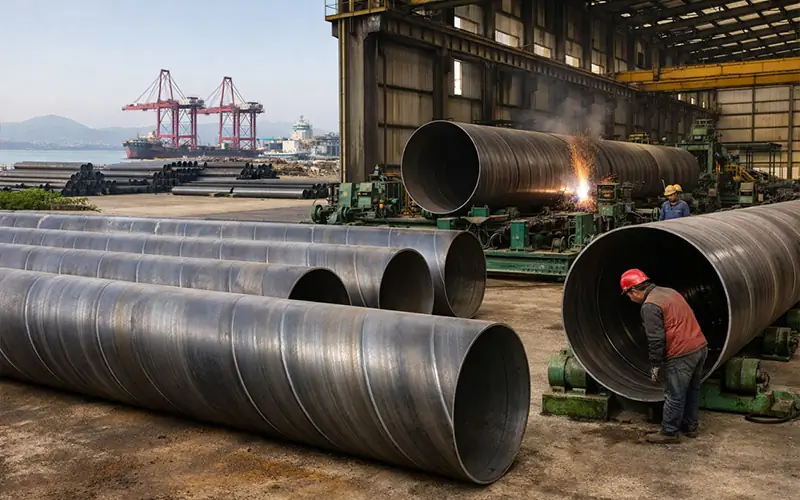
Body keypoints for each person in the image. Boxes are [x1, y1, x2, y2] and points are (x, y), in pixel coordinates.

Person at [620, 269, 709, 444]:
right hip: (700, 347)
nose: (630, 300)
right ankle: (691, 427)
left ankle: (669, 432)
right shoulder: (669, 292)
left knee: (674, 394)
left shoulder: (650, 306)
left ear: (634, 291)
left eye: (628, 296)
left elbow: (656, 339)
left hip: (682, 354)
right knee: (692, 390)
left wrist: (655, 364)